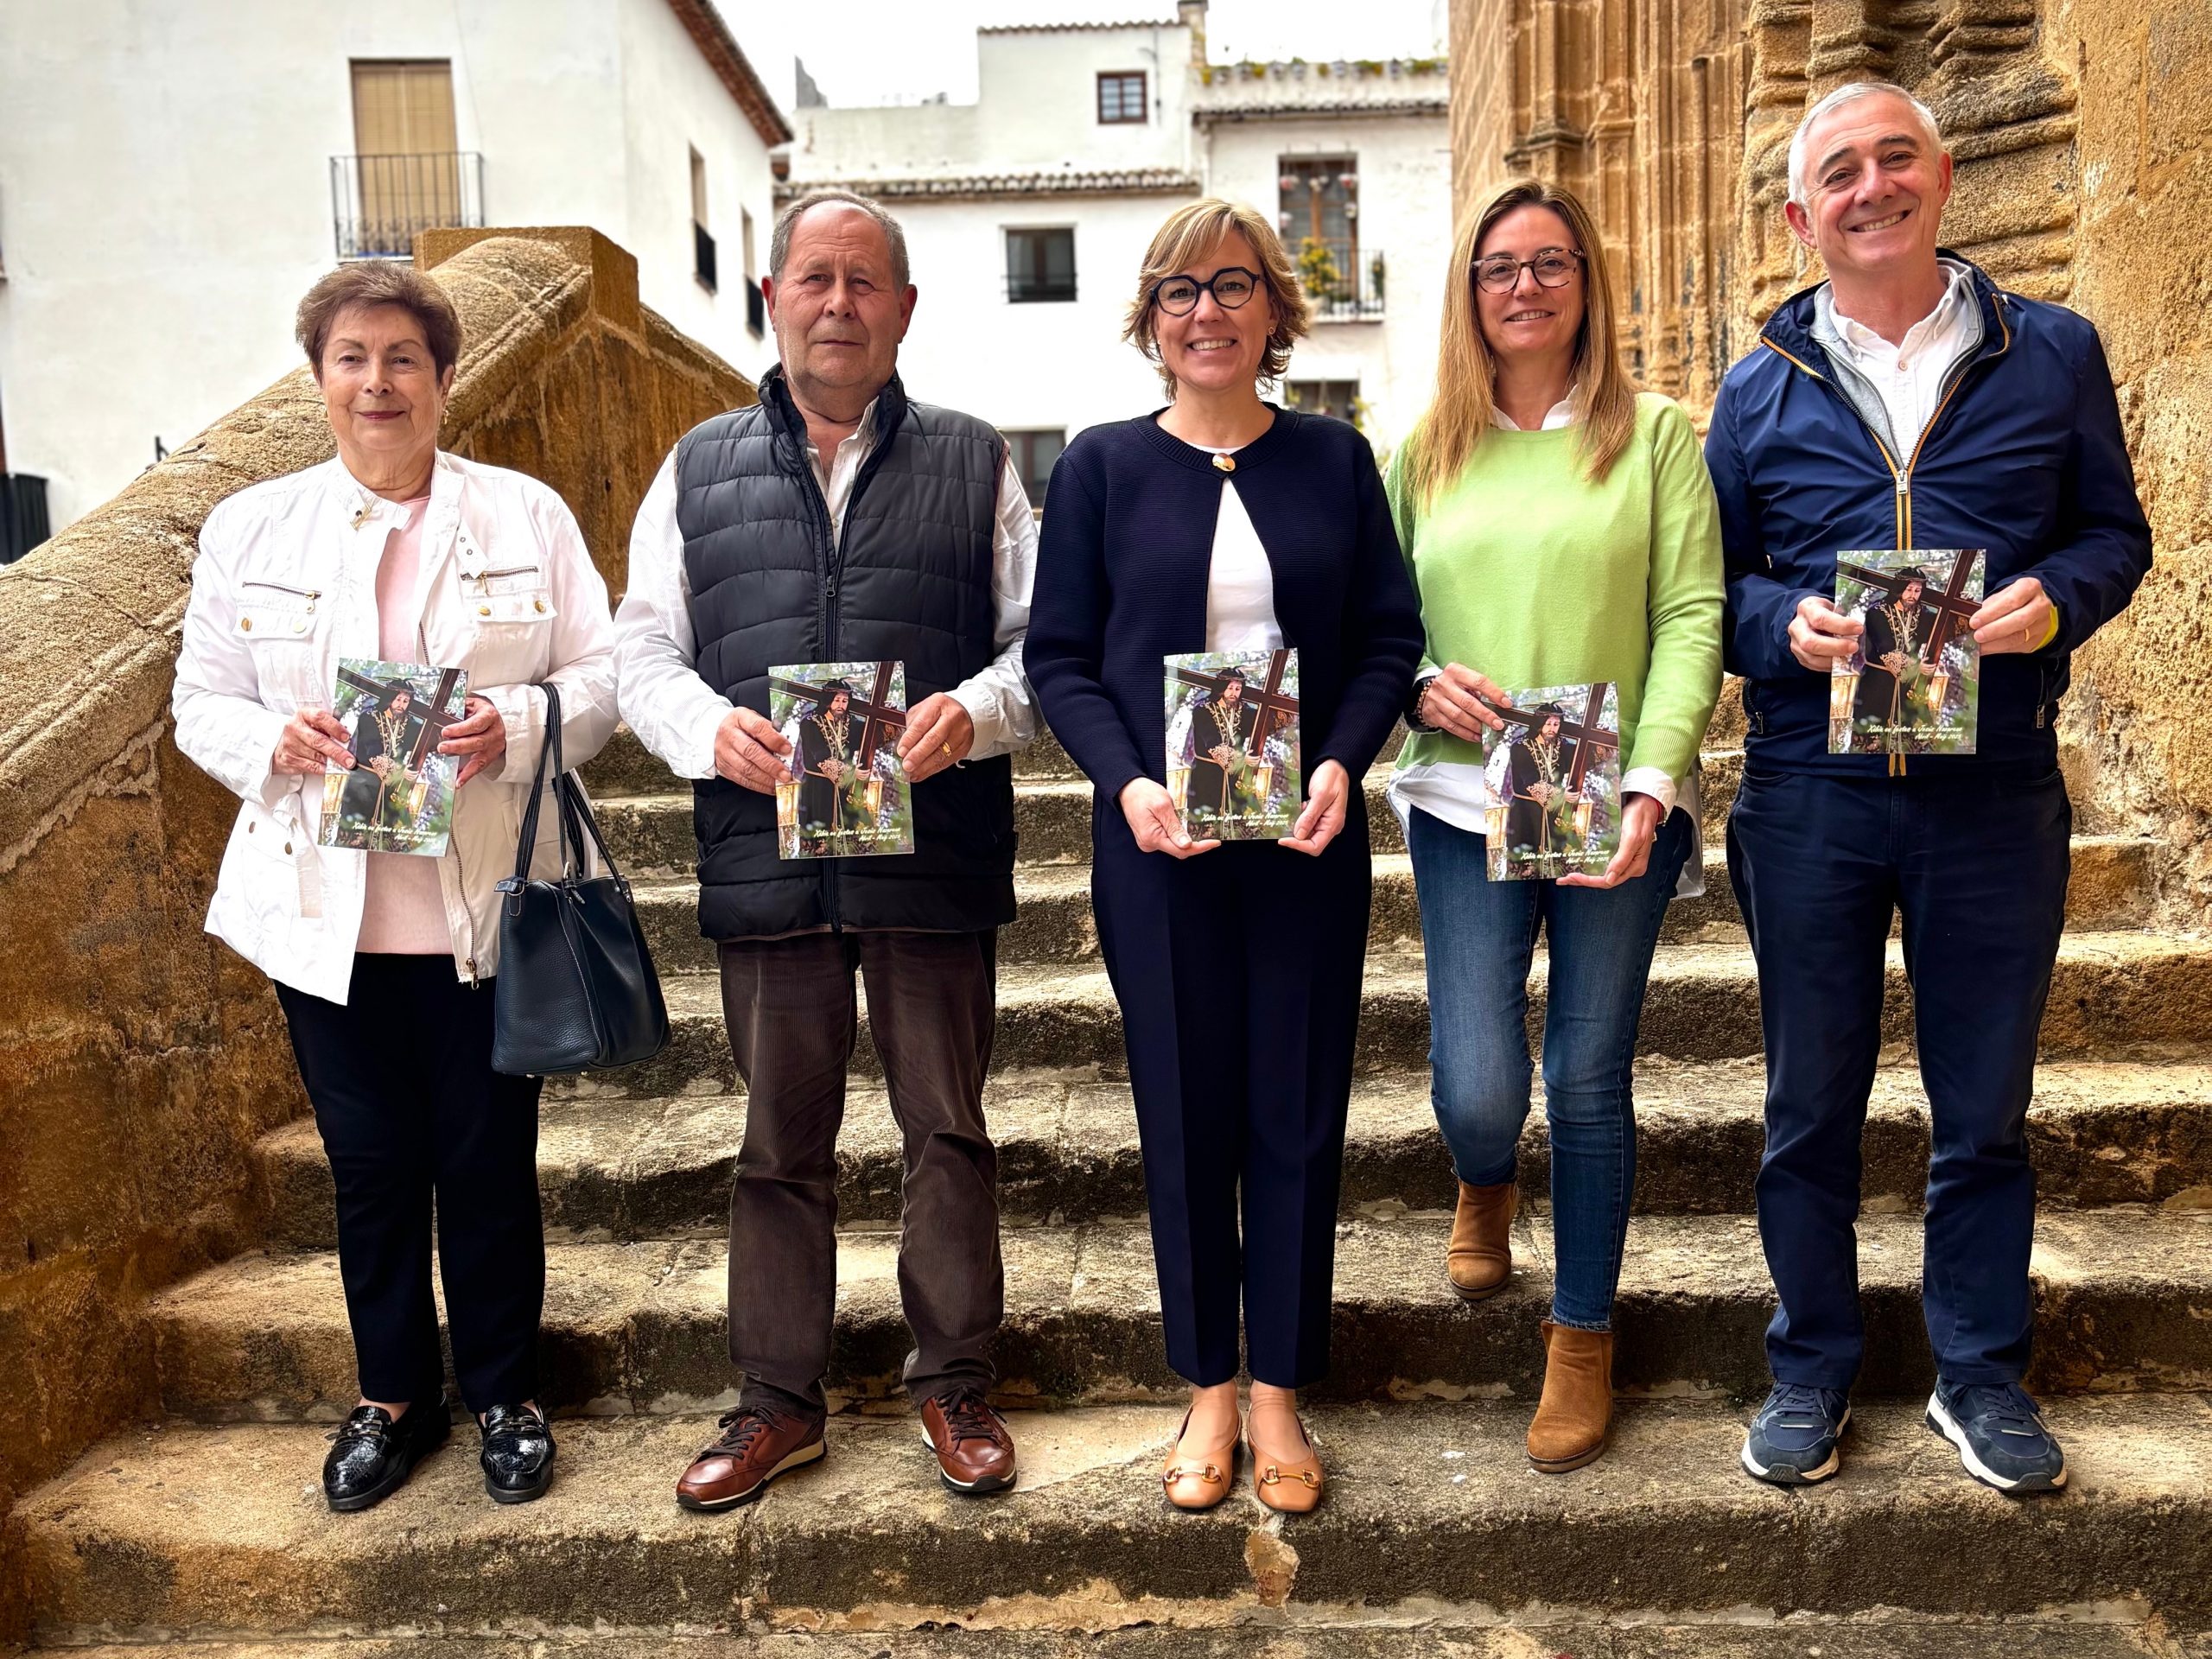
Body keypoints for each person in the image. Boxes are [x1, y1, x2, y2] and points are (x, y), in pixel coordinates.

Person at [1708, 81, 2152, 1493]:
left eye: (1896, 157)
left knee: (1985, 1109)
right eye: (1839, 171)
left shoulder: (2055, 351)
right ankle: (1811, 1367)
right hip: (1811, 786)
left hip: (1993, 780)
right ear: (1801, 215)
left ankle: (1978, 1377)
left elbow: (2114, 538)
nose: (1871, 186)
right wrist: (1783, 625)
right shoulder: (1755, 385)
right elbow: (1709, 594)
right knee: (1808, 1107)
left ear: (1944, 177)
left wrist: (2056, 603)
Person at [613, 188, 1039, 1510]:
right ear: (774, 297)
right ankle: (775, 1404)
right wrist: (706, 730)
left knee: (946, 1133)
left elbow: (1045, 650)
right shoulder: (694, 467)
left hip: (932, 857)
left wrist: (970, 714)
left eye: (866, 282)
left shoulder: (980, 464)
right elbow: (638, 650)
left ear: (904, 310)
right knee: (774, 1149)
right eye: (815, 278)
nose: (839, 303)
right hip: (769, 858)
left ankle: (954, 1382)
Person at [170, 261, 619, 1510]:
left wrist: (516, 724)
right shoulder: (252, 528)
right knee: (369, 1168)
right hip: (324, 915)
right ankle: (390, 1397)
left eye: (402, 358)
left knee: (488, 1161)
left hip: (488, 907)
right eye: (352, 359)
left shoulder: (525, 514)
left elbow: (601, 679)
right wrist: (279, 745)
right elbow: (197, 699)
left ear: (443, 378)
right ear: (319, 381)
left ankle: (506, 1393)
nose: (378, 382)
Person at [1027, 198, 1423, 1514]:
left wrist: (1342, 760)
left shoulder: (1335, 461)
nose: (1209, 311)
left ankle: (1279, 1394)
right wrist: (1128, 782)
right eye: (1182, 289)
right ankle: (1205, 1386)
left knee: (1298, 1114)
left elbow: (1383, 638)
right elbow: (1061, 660)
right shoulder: (1098, 467)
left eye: (1236, 285)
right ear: (1151, 316)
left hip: (1304, 837)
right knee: (1186, 1113)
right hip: (1161, 842)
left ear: (1274, 313)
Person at [1386, 177, 1723, 1472]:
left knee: (1586, 1075)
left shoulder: (1655, 440)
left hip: (1608, 802)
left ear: (1588, 282)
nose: (1523, 286)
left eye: (1550, 262)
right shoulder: (1423, 451)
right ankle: (1484, 1176)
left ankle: (1581, 1336)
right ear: (1469, 294)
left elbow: (1691, 611)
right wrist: (1415, 681)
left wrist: (1654, 777)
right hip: (1464, 797)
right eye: (1497, 268)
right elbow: (1380, 622)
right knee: (1479, 1082)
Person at [1852, 570, 1933, 734]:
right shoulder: (1877, 613)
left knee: (1912, 733)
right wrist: (1916, 667)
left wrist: (1964, 608)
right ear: (1899, 588)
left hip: (1907, 686)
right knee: (1872, 732)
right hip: (1877, 682)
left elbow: (1945, 627)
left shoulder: (1922, 613)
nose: (1912, 595)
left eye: (1917, 591)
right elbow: (1885, 647)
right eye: (1909, 589)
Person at [791, 680, 867, 847]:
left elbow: (873, 735)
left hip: (844, 787)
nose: (841, 705)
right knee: (819, 833)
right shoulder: (810, 722)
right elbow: (821, 756)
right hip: (816, 786)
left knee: (850, 829)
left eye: (844, 701)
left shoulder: (851, 722)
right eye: (837, 700)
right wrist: (851, 772)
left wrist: (888, 713)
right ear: (827, 699)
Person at [1502, 703, 1574, 863]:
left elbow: (1582, 758)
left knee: (1557, 856)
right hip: (1525, 810)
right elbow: (1530, 780)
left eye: (1556, 724)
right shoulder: (1520, 747)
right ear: (1539, 723)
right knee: (1525, 859)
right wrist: (1561, 795)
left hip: (1553, 810)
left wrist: (1599, 742)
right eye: (1548, 724)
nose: (1552, 728)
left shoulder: (1561, 745)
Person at [1182, 666, 1255, 823]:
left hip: (1233, 777)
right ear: (1221, 688)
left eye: (1238, 688)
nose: (1233, 693)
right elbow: (1212, 743)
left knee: (1237, 821)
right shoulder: (1203, 709)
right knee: (1206, 822)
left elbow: (1263, 724)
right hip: (1206, 775)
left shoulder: (1243, 709)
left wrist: (1280, 706)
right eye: (1230, 688)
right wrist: (1241, 759)